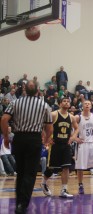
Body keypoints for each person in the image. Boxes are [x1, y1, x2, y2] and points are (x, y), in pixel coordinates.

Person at [1, 80, 53, 214]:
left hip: (19, 138)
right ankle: (22, 205)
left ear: (24, 89)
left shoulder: (15, 102)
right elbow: (49, 127)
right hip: (34, 139)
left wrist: (6, 137)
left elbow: (4, 119)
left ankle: (19, 203)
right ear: (38, 90)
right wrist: (46, 140)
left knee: (21, 173)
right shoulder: (44, 105)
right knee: (30, 174)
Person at [40, 97, 79, 198]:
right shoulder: (53, 114)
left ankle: (64, 190)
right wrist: (47, 139)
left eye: (68, 101)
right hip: (55, 144)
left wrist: (73, 137)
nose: (66, 103)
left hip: (66, 145)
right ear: (59, 104)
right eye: (64, 101)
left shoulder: (71, 117)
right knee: (52, 168)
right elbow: (43, 127)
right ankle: (43, 183)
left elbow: (77, 128)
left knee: (66, 167)